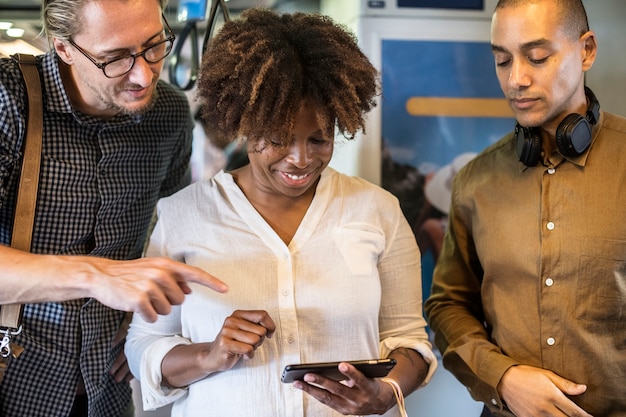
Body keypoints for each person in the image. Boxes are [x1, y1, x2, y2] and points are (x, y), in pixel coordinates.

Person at [125, 8, 437, 417]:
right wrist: (209, 355)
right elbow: (144, 345)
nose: (301, 159)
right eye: (278, 139)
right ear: (244, 123)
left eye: (319, 139)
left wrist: (387, 390)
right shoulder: (185, 214)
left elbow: (408, 339)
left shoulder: (377, 209)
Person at [0, 0, 228, 416]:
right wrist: (97, 276)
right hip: (15, 378)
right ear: (64, 48)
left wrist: (146, 328)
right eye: (115, 58)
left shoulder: (170, 116)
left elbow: (166, 234)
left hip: (105, 389)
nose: (143, 74)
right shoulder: (9, 100)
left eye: (154, 45)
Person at [424, 1, 626, 416]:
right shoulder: (475, 181)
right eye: (502, 60)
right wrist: (502, 377)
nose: (516, 79)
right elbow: (447, 305)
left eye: (537, 57)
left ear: (586, 50)